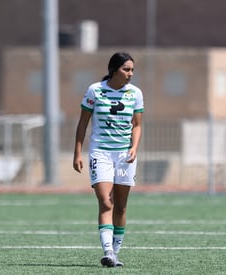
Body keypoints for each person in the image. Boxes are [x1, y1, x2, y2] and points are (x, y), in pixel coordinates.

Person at [73, 52, 144, 268]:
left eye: (132, 70)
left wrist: (134, 147)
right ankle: (108, 252)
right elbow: (83, 123)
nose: (130, 74)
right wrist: (77, 152)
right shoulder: (95, 90)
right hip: (100, 153)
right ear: (114, 69)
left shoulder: (135, 93)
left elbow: (137, 125)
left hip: (124, 156)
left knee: (121, 207)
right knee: (106, 201)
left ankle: (116, 252)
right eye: (126, 69)